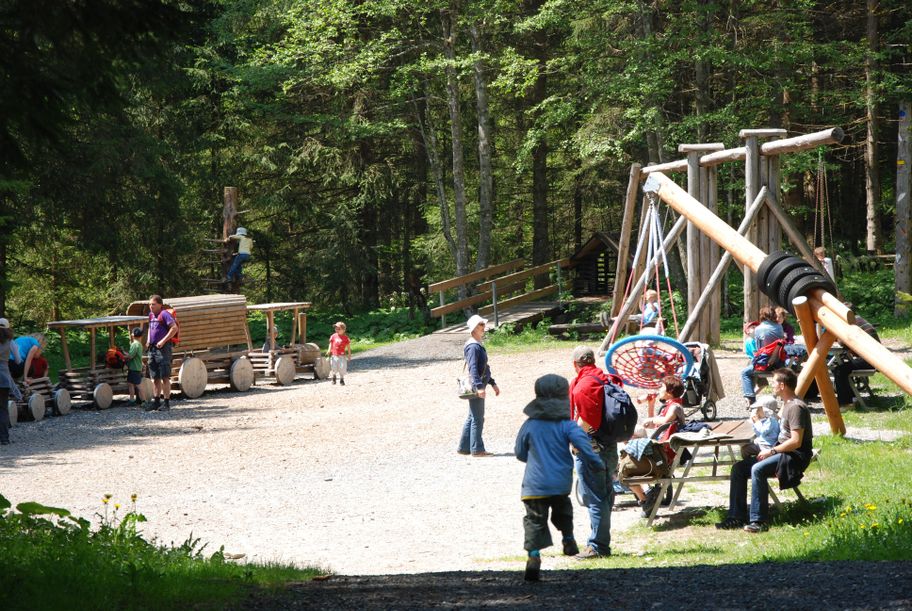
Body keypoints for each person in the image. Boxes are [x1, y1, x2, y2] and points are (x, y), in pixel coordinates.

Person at [514, 374, 605, 581]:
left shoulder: (529, 425)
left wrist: (533, 456)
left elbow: (519, 452)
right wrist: (596, 464)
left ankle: (534, 554)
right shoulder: (567, 425)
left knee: (534, 520)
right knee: (563, 510)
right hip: (560, 482)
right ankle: (568, 537)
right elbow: (584, 446)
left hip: (534, 485)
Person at [717, 368, 813, 533]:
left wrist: (771, 451)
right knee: (739, 469)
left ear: (782, 385)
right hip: (783, 452)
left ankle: (759, 521)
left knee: (757, 469)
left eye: (774, 382)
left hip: (794, 456)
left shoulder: (796, 407)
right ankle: (736, 517)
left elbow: (796, 442)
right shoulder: (787, 404)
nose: (772, 385)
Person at [569, 345, 621, 559]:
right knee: (605, 494)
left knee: (595, 497)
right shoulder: (605, 379)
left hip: (591, 449)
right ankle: (600, 540)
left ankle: (598, 546)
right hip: (610, 445)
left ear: (575, 364)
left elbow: (587, 419)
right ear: (592, 361)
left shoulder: (584, 385)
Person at [626, 375, 686, 513]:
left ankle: (646, 496)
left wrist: (652, 420)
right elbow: (652, 425)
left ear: (669, 392)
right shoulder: (669, 406)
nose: (659, 389)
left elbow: (664, 421)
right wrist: (651, 404)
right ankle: (647, 494)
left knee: (626, 466)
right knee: (631, 438)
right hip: (659, 449)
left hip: (662, 453)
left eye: (662, 387)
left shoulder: (675, 406)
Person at [457, 314, 500, 457]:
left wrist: (492, 383)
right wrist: (480, 387)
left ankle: (464, 448)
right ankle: (477, 449)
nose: (484, 327)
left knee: (472, 417)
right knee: (478, 418)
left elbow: (483, 368)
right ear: (474, 328)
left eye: (483, 324)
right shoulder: (473, 346)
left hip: (478, 384)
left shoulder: (477, 344)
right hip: (476, 386)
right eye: (481, 325)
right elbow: (473, 369)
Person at [740, 306, 784, 407]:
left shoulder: (758, 329)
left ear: (762, 315)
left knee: (745, 373)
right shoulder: (779, 327)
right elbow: (781, 344)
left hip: (764, 364)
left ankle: (750, 398)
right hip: (778, 363)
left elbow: (759, 349)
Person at [832, 313, 880, 407]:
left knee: (840, 370)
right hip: (875, 358)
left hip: (871, 360)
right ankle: (852, 398)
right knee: (843, 368)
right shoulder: (857, 320)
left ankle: (846, 403)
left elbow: (843, 343)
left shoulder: (852, 324)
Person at [145, 295, 178, 411]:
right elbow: (150, 328)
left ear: (160, 305)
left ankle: (166, 403)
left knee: (165, 376)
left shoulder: (164, 314)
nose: (151, 306)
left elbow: (174, 328)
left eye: (153, 304)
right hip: (152, 349)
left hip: (163, 349)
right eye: (150, 304)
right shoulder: (150, 315)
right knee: (155, 377)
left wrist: (163, 341)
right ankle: (156, 402)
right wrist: (148, 340)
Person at [0, 317, 21, 445]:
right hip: (3, 378)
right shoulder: (11, 342)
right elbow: (18, 360)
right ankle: (4, 438)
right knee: (2, 408)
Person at [126, 327, 145, 407]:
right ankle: (132, 400)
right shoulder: (139, 344)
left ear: (133, 335)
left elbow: (130, 356)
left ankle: (144, 401)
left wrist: (123, 355)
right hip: (136, 367)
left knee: (138, 385)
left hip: (134, 367)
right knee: (130, 383)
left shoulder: (134, 344)